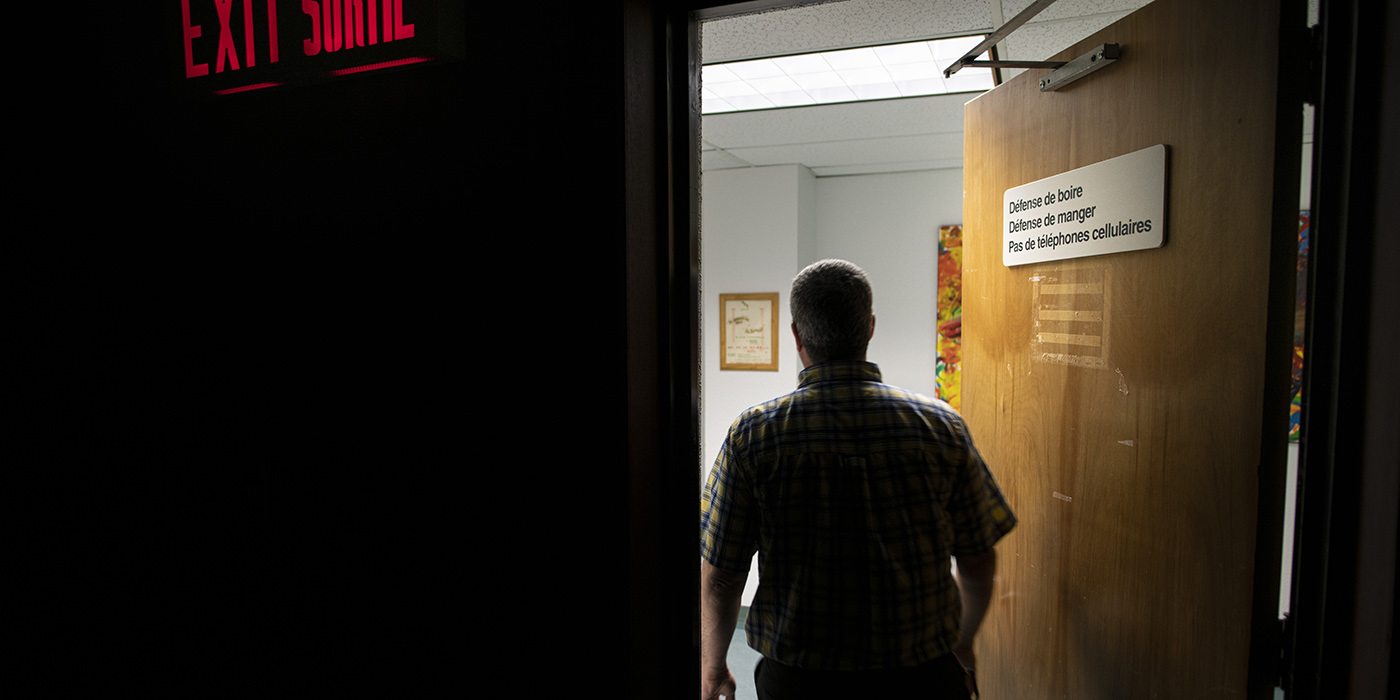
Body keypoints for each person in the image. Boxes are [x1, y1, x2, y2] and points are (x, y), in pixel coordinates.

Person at [700, 259, 1016, 700]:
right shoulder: (942, 427)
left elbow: (722, 575)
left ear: (796, 335)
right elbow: (979, 558)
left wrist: (713, 666)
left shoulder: (753, 435)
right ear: (869, 327)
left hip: (801, 680)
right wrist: (962, 644)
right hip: (922, 678)